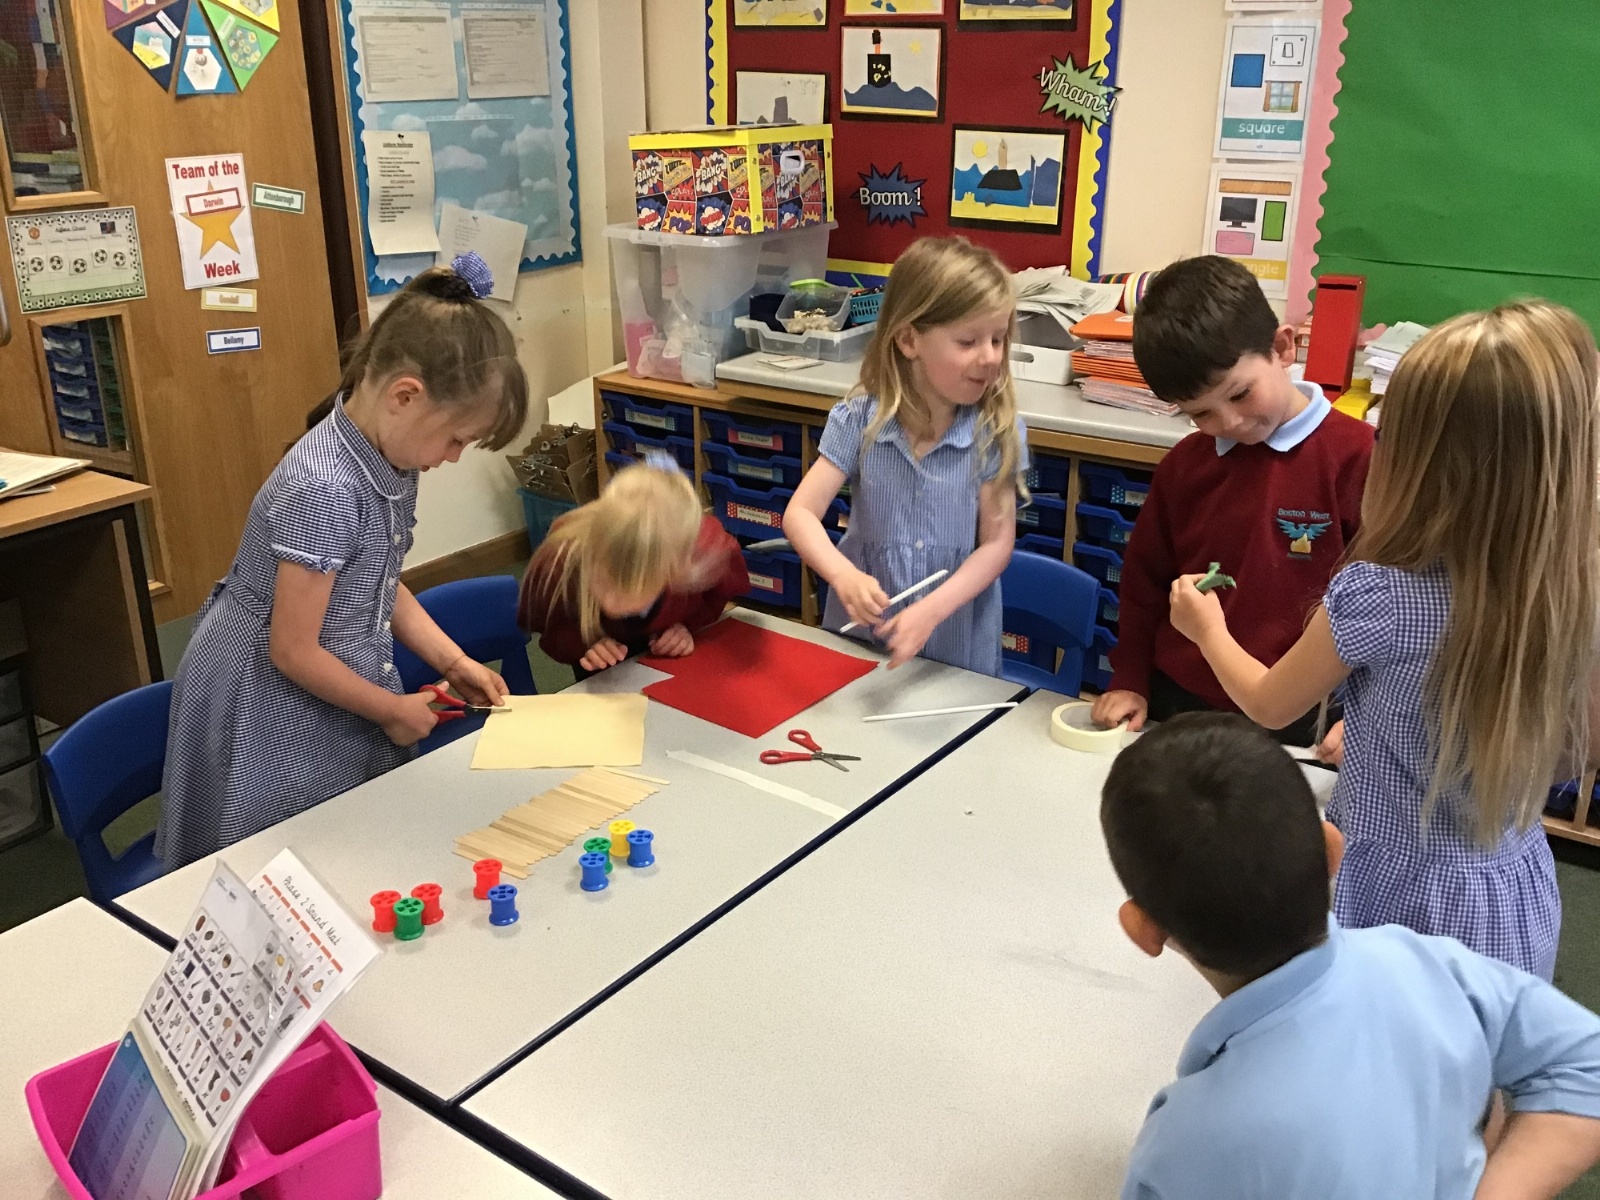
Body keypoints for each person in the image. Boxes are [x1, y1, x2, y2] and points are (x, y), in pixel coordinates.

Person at [1168, 300, 1600, 981]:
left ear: (1418, 462)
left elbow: (1269, 704)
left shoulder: (1382, 596)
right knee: (1488, 1044)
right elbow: (1569, 752)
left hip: (1393, 895)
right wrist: (1389, 733)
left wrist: (1208, 628)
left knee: (1376, 1038)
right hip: (1508, 894)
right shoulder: (1576, 591)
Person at [1102, 713, 1600, 1200]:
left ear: (1144, 930)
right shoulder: (1436, 969)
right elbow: (1588, 1062)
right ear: (1332, 851)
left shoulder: (1184, 1143)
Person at [157, 263, 527, 867]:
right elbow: (292, 651)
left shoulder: (390, 454)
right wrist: (393, 710)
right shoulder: (325, 486)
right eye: (457, 439)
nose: (455, 457)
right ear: (405, 396)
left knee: (343, 844)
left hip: (319, 669)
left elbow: (376, 581)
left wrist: (452, 661)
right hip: (267, 690)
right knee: (275, 860)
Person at [1093, 256, 1373, 751]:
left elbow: (1390, 608)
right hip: (1181, 700)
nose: (1230, 423)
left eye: (1241, 394)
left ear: (1282, 348)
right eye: (1201, 413)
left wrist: (1368, 715)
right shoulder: (1185, 465)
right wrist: (1130, 677)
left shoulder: (1360, 457)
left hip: (1306, 715)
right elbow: (1143, 582)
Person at [782, 236, 1029, 675]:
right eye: (968, 341)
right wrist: (842, 575)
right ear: (909, 339)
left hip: (956, 651)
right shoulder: (858, 421)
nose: (991, 357)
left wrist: (932, 610)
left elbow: (996, 544)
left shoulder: (995, 432)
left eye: (998, 339)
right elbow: (800, 514)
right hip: (862, 644)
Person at [517, 457, 748, 676]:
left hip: (670, 665)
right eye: (605, 583)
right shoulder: (560, 561)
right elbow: (548, 629)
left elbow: (717, 597)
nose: (611, 603)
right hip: (602, 676)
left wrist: (688, 627)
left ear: (673, 573)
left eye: (632, 588)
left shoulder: (706, 555)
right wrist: (584, 646)